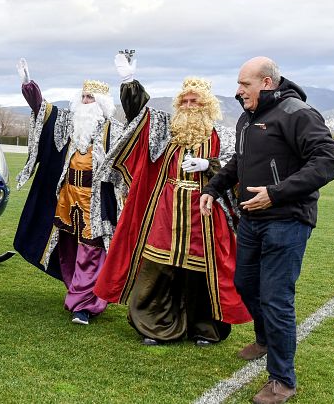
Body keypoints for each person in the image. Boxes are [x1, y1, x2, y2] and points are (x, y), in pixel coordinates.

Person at [200, 57, 334, 404]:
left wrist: (275, 193)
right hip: (252, 219)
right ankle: (264, 340)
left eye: (244, 84)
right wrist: (213, 188)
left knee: (276, 298)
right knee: (245, 284)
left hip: (287, 220)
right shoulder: (247, 119)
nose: (238, 91)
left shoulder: (297, 113)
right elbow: (240, 162)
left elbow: (328, 161)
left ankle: (282, 380)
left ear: (266, 83)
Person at [94, 54, 251, 346]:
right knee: (157, 269)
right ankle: (155, 327)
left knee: (201, 272)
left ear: (208, 106)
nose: (189, 106)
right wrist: (129, 83)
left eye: (196, 102)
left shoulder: (223, 136)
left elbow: (239, 165)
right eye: (185, 101)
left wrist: (209, 165)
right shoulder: (166, 130)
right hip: (166, 211)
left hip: (205, 213)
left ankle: (204, 329)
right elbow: (139, 116)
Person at [13, 54, 147, 325]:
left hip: (96, 202)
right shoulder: (69, 124)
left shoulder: (114, 131)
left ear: (102, 104)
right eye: (83, 97)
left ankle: (84, 306)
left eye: (91, 98)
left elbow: (139, 124)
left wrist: (129, 82)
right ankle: (78, 290)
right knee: (68, 248)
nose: (86, 102)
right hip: (67, 197)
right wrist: (29, 86)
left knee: (90, 251)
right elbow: (43, 111)